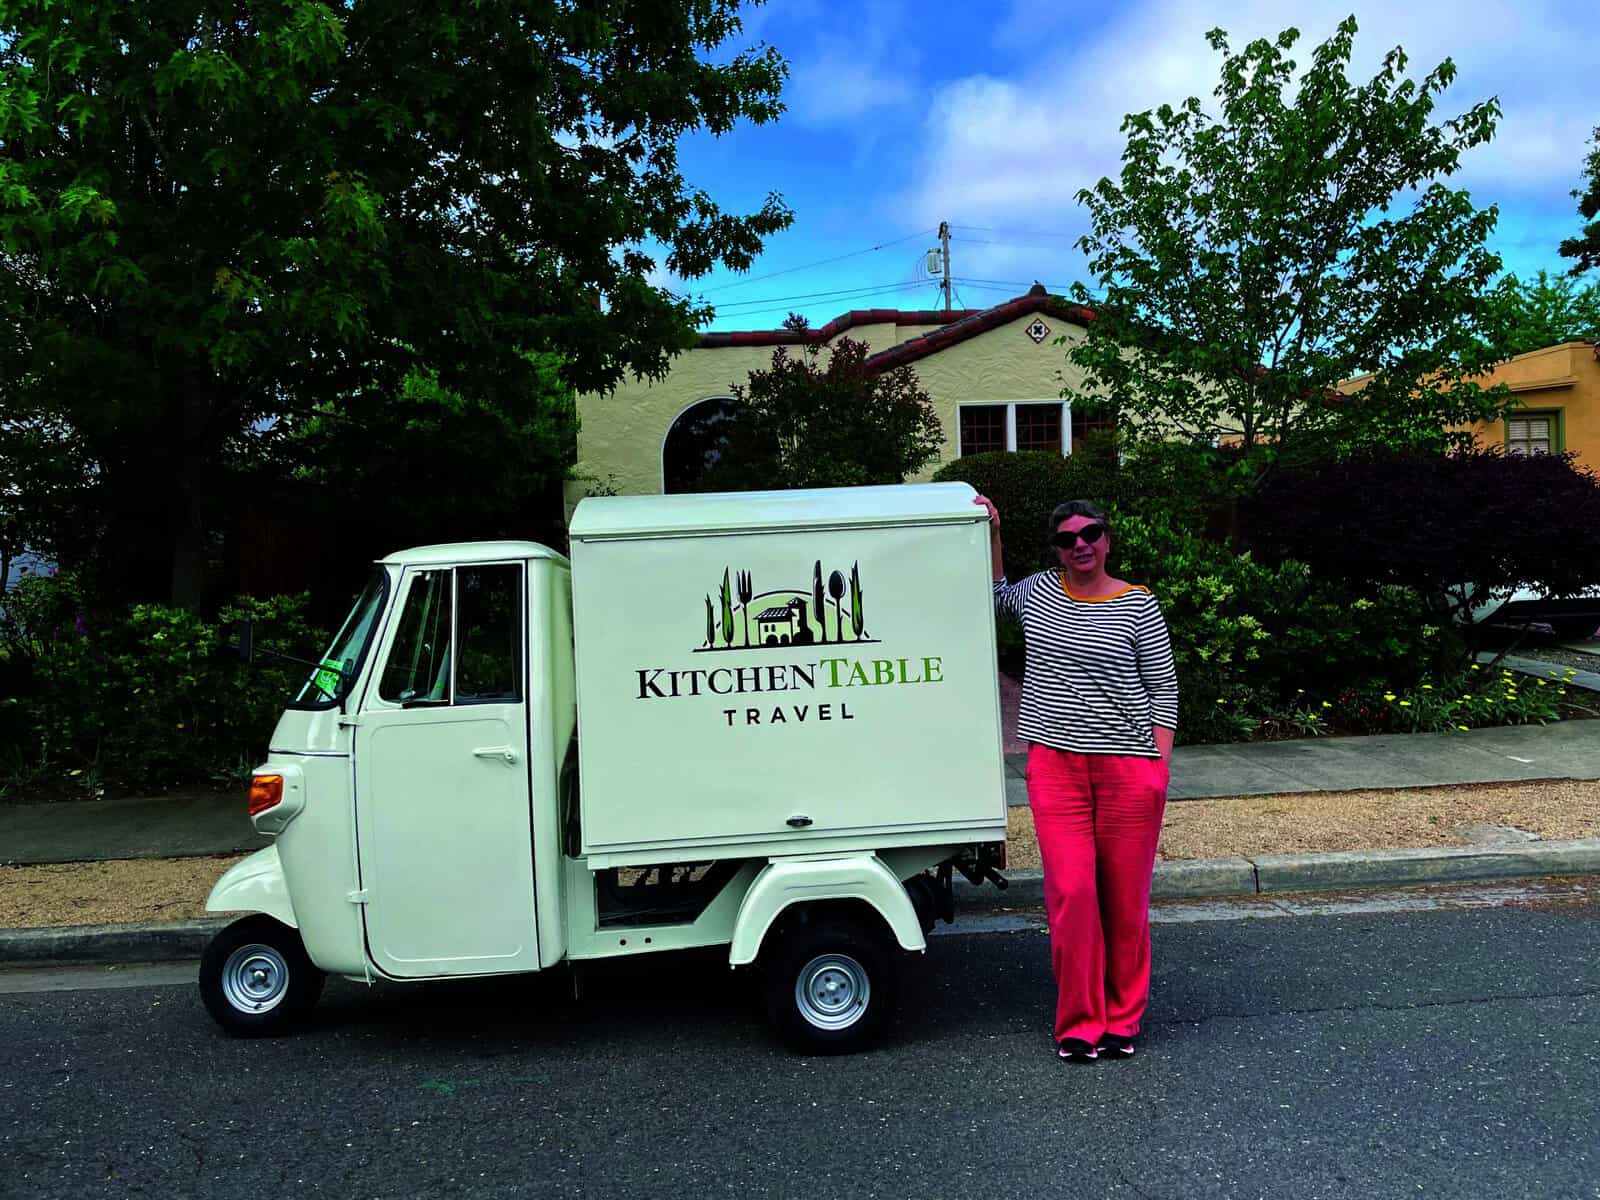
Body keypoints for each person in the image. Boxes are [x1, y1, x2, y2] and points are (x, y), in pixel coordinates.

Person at [976, 494, 1178, 1062]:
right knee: (1072, 893)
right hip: (1057, 770)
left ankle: (1122, 1018)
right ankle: (1080, 1023)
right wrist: (993, 528)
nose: (1080, 545)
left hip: (1127, 770)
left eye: (1089, 533)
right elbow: (993, 598)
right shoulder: (1039, 592)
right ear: (1057, 550)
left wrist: (1157, 768)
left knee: (1124, 900)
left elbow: (1162, 688)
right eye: (1067, 539)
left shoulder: (1139, 604)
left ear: (1107, 539)